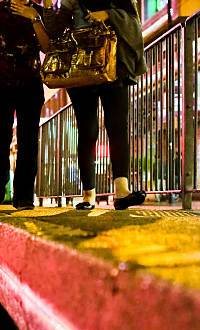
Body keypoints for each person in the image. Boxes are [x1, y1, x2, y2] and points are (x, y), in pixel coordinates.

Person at [43, 0, 147, 210]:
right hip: (81, 69)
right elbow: (55, 31)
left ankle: (122, 191)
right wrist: (52, 8)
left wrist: (108, 14)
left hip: (113, 65)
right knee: (88, 131)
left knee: (118, 126)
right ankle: (88, 195)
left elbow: (134, 22)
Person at [0, 0, 50, 210]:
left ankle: (24, 196)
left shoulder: (38, 11)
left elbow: (47, 46)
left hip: (30, 84)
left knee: (29, 141)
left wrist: (33, 17)